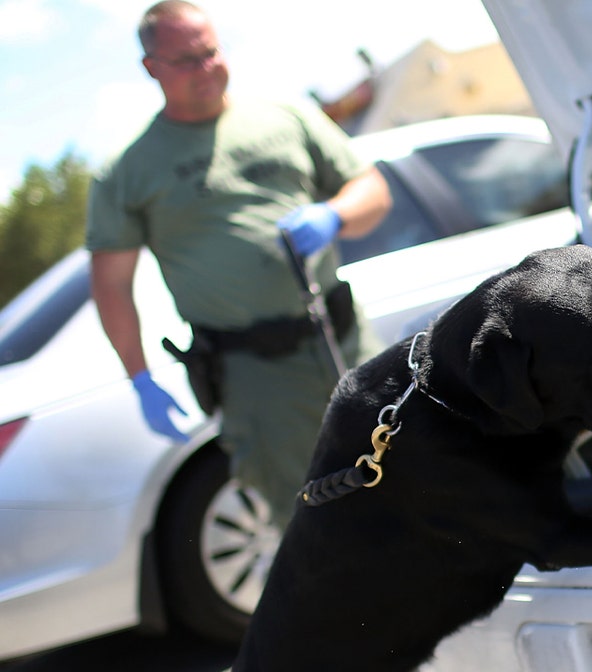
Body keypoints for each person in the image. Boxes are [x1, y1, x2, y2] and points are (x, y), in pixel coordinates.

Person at [86, 0, 392, 528]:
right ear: (151, 68)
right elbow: (112, 285)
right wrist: (138, 378)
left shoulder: (286, 116)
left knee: (411, 476)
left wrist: (335, 215)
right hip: (257, 377)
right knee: (315, 521)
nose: (204, 69)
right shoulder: (128, 171)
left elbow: (373, 190)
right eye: (184, 60)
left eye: (209, 52)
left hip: (343, 338)